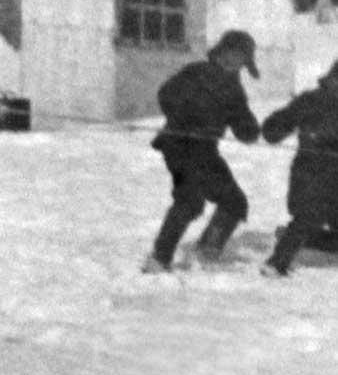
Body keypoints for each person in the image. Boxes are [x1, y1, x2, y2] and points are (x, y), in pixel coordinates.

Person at [145, 28, 261, 271]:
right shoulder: (196, 72)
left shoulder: (234, 90)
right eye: (234, 54)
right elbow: (166, 95)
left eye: (242, 59)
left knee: (234, 201)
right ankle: (159, 258)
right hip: (178, 145)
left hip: (205, 151)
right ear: (222, 51)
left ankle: (207, 250)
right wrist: (187, 119)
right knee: (190, 201)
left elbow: (245, 130)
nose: (237, 62)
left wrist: (251, 130)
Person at [258, 62, 338, 277]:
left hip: (327, 179)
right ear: (332, 78)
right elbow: (273, 130)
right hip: (313, 174)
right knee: (309, 215)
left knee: (316, 219)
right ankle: (276, 264)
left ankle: (306, 240)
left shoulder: (311, 99)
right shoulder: (312, 100)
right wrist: (275, 129)